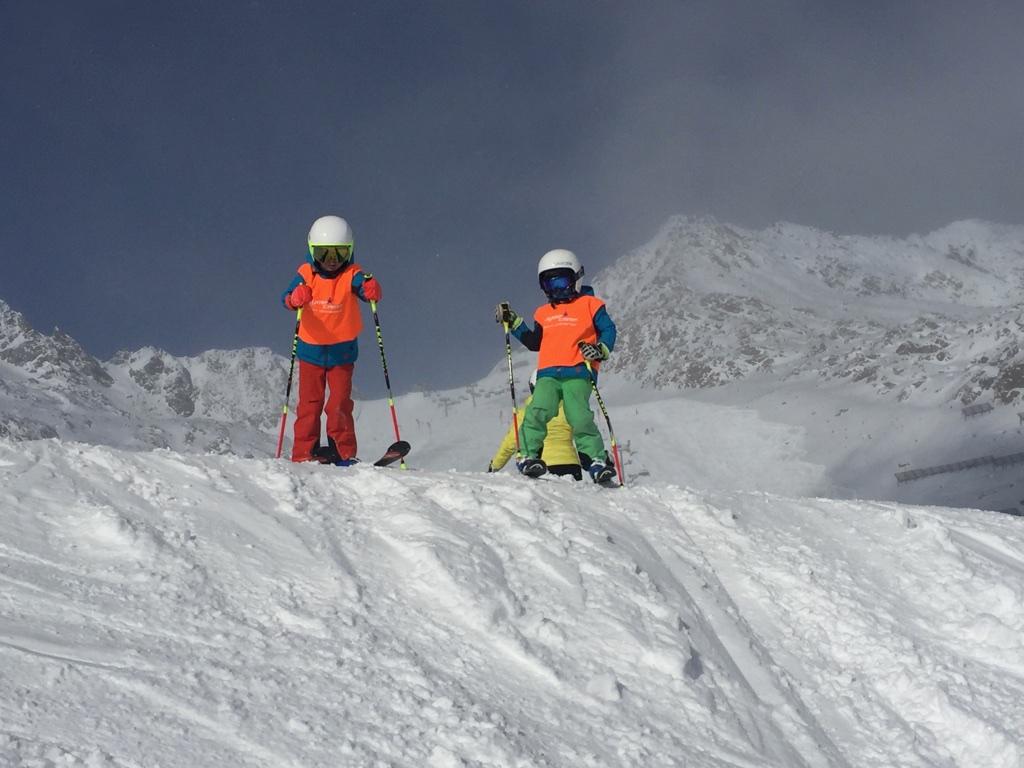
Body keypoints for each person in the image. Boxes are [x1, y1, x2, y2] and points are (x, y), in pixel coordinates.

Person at [495, 248, 617, 483]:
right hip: (548, 373)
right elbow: (534, 342)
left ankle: (596, 460)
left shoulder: (591, 305)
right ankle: (528, 456)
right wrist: (514, 321)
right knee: (538, 410)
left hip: (579, 371)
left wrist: (601, 350)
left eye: (561, 281)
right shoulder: (542, 313)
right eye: (550, 285)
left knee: (579, 417)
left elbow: (608, 330)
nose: (557, 290)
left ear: (576, 279)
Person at [282, 215, 382, 465]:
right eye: (324, 254)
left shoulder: (352, 273)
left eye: (339, 253)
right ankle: (304, 453)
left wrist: (370, 289)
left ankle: (343, 452)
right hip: (310, 352)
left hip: (342, 354)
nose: (331, 261)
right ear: (312, 250)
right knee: (309, 404)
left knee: (339, 403)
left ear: (350, 252)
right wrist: (295, 297)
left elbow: (363, 286)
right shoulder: (306, 273)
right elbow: (286, 297)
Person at [489, 371, 582, 480]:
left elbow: (511, 442)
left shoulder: (527, 411)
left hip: (539, 465)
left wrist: (494, 466)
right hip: (572, 465)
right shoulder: (568, 409)